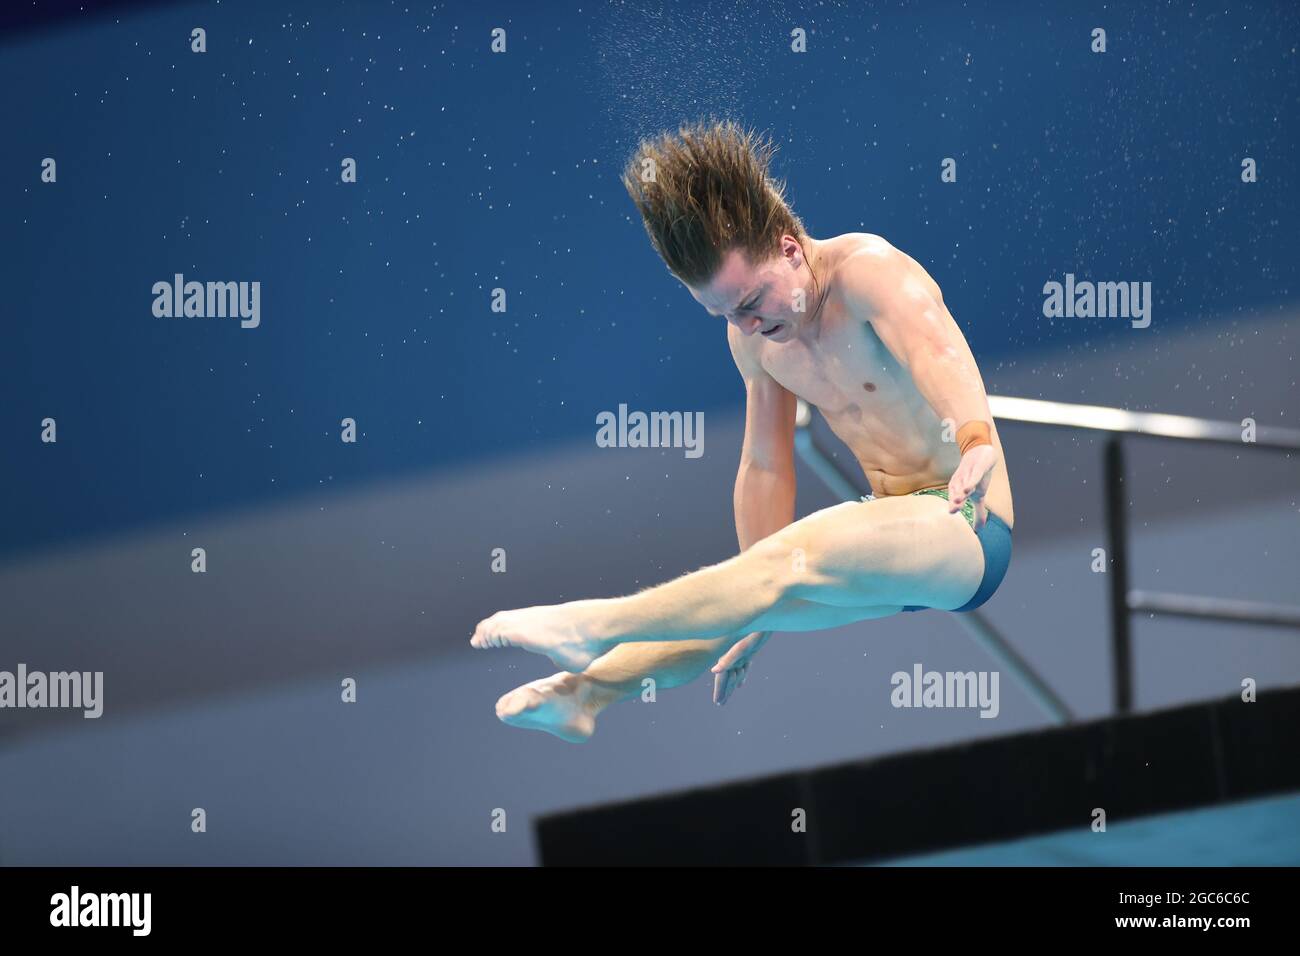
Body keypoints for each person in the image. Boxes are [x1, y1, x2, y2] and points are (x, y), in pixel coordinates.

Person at [474, 120, 1014, 742]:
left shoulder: (869, 271)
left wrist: (975, 438)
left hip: (967, 524)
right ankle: (585, 693)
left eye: (752, 301)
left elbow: (935, 348)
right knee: (728, 602)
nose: (749, 325)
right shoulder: (754, 343)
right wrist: (755, 603)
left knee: (794, 560)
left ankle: (594, 623)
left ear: (788, 248)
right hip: (895, 541)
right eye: (728, 314)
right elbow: (765, 465)